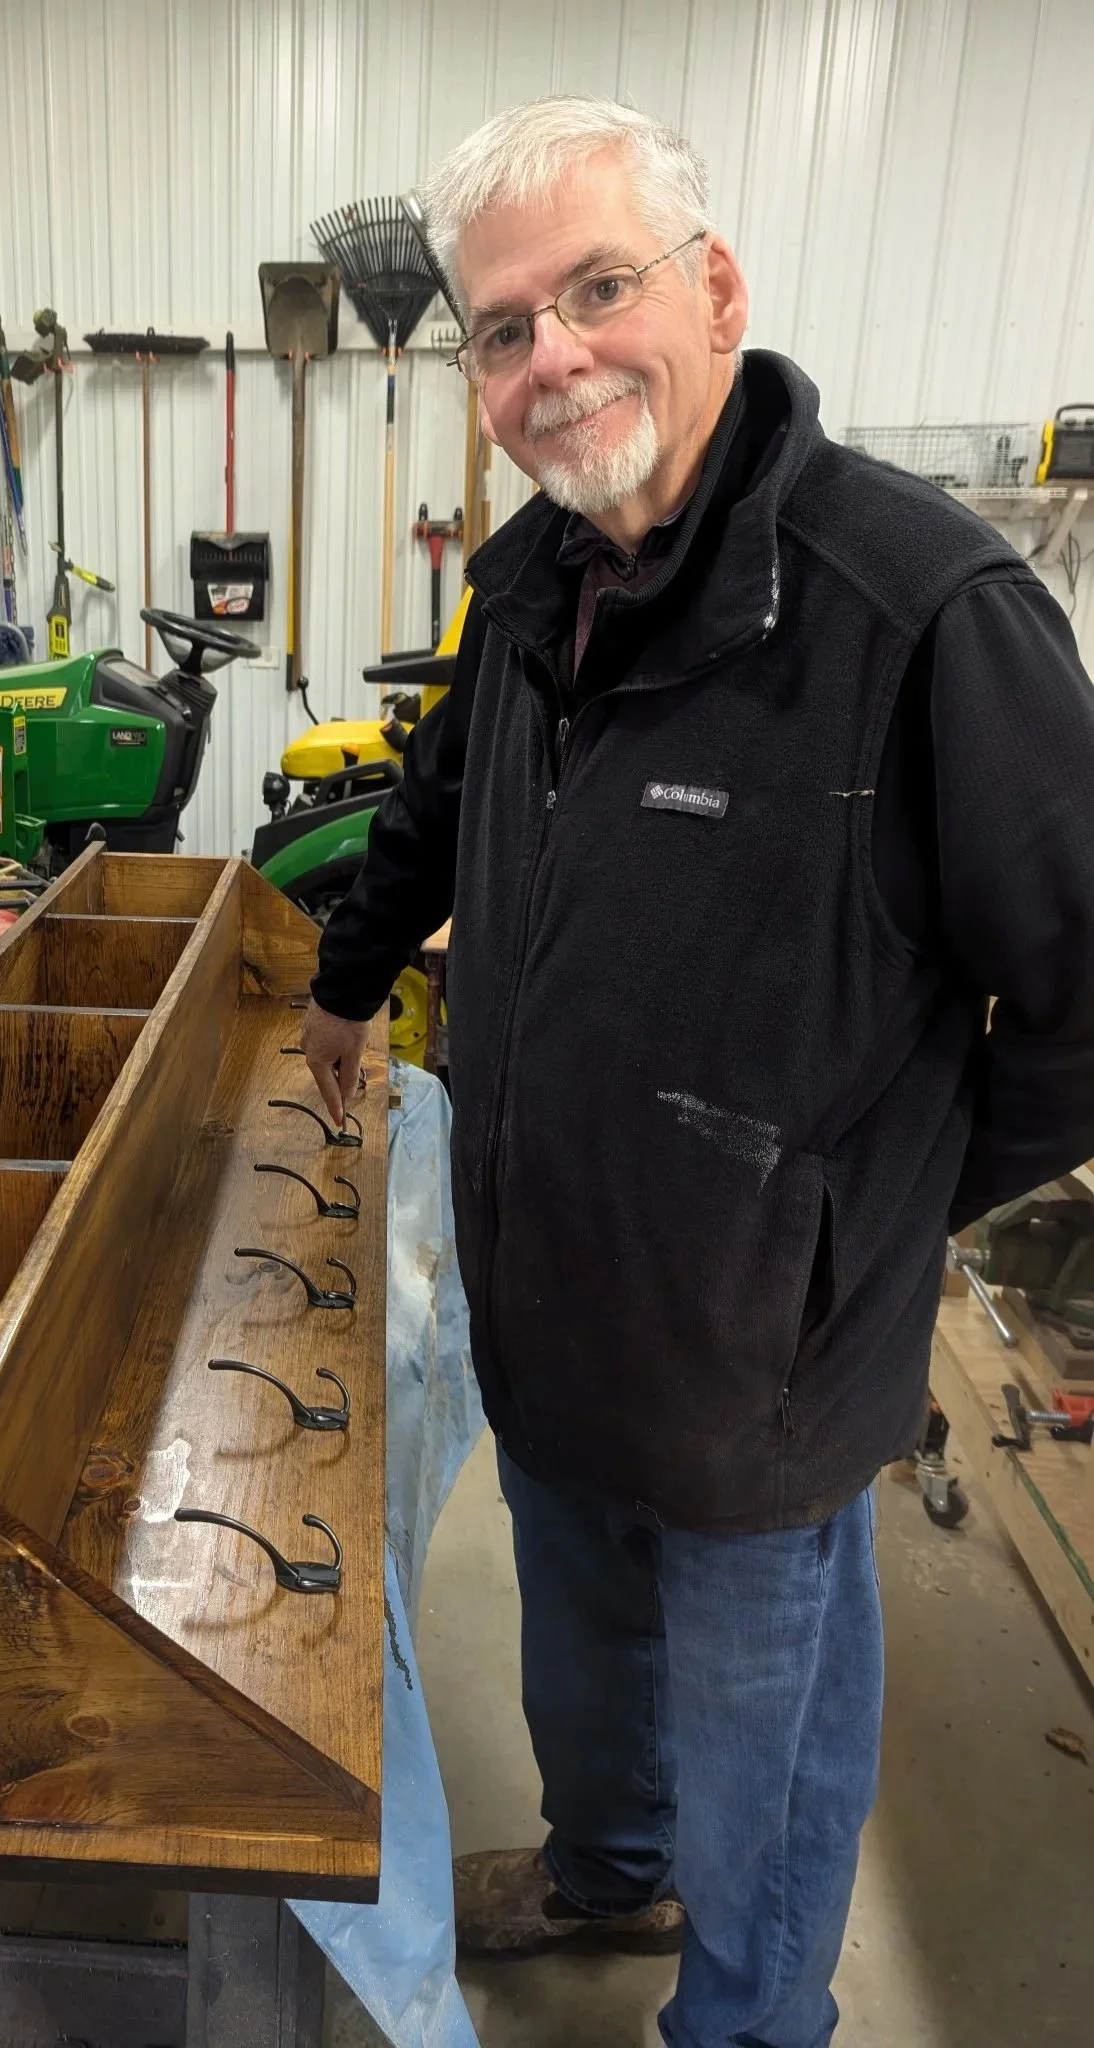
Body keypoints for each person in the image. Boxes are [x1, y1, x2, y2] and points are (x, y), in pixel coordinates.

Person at [301, 94, 1094, 2048]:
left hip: (767, 1353)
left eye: (596, 290)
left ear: (713, 288)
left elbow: (1085, 998)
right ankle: (604, 1859)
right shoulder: (527, 584)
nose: (552, 354)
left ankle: (743, 2014)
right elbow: (434, 810)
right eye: (504, 326)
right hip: (556, 1278)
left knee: (771, 1717)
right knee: (578, 1636)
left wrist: (862, 1222)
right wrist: (343, 982)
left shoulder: (919, 613)